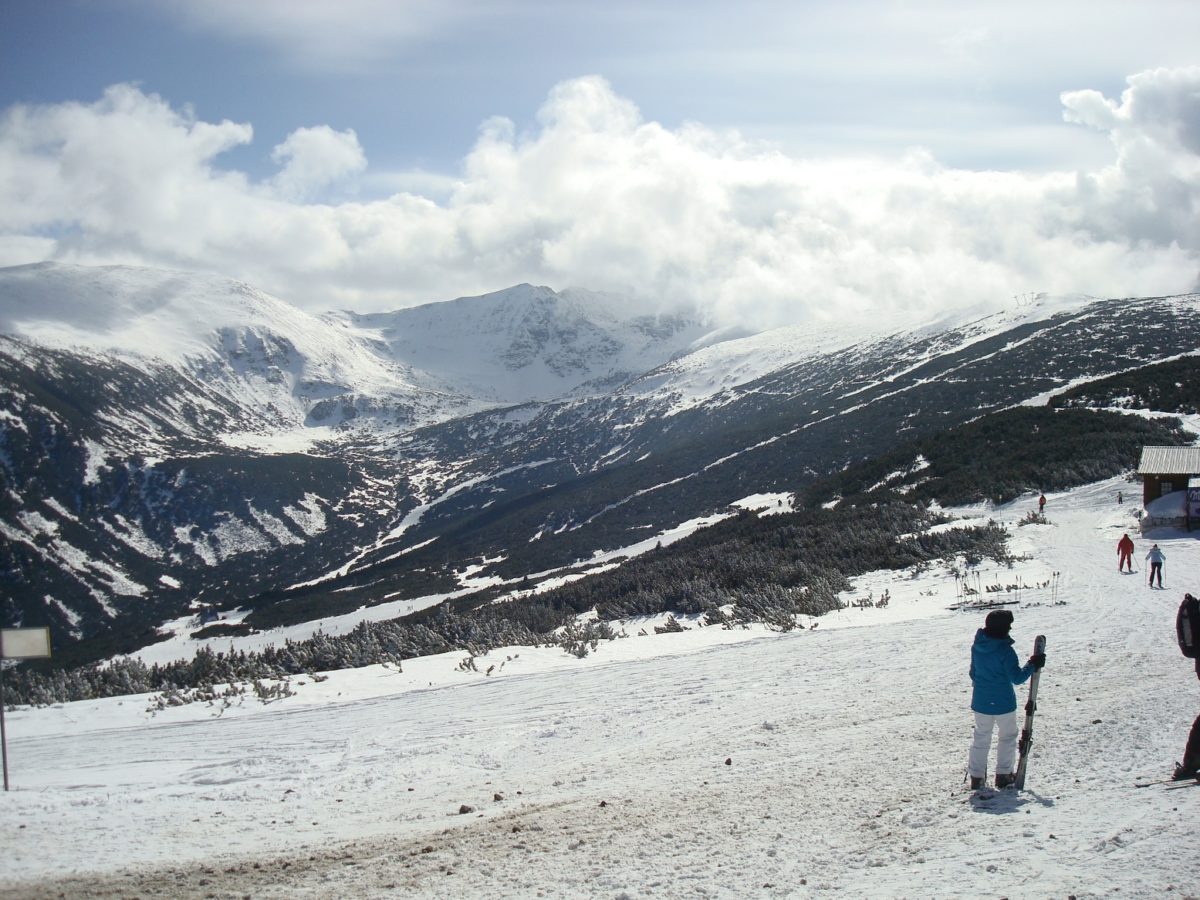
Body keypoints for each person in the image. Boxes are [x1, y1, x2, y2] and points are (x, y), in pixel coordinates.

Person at [967, 609, 1045, 789]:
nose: (1010, 628)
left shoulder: (977, 647)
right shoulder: (1005, 650)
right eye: (1009, 625)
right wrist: (1032, 664)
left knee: (981, 737)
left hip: (980, 701)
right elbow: (1017, 678)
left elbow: (973, 673)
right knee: (1007, 737)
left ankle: (976, 777)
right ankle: (1003, 774)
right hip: (1004, 703)